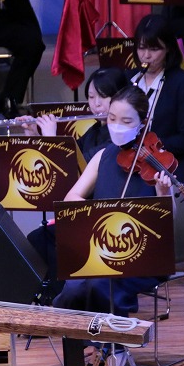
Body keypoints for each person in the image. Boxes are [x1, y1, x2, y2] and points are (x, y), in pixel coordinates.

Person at [52, 86, 174, 366]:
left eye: (127, 121)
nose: (117, 126)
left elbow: (169, 223)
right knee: (73, 287)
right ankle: (87, 347)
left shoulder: (158, 162)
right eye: (112, 119)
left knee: (101, 283)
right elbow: (72, 196)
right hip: (103, 250)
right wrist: (96, 212)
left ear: (144, 122)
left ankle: (114, 347)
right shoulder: (103, 156)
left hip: (142, 255)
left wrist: (163, 191)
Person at [20, 67, 132, 299]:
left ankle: (66, 300)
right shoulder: (93, 131)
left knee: (55, 239)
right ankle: (54, 298)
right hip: (82, 208)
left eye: (103, 97)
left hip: (104, 214)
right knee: (37, 238)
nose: (96, 104)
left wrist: (51, 138)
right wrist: (34, 134)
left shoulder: (119, 137)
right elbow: (65, 170)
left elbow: (78, 170)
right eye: (91, 97)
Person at [129, 14, 184, 189]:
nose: (146, 56)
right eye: (141, 48)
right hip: (134, 163)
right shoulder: (129, 80)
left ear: (168, 48)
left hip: (175, 165)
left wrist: (149, 148)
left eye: (154, 49)